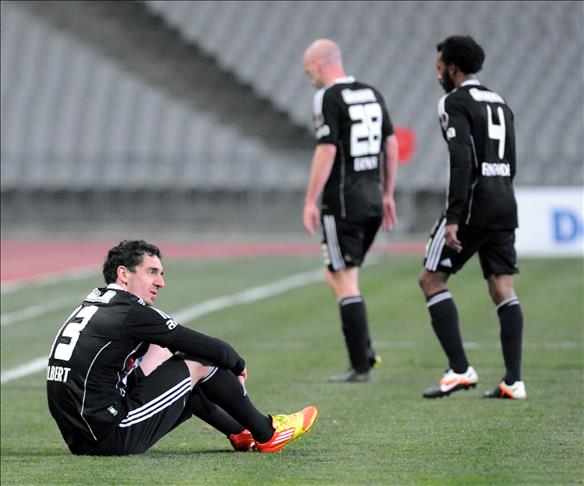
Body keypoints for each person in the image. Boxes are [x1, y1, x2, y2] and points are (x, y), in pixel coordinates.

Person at [47, 239, 318, 455]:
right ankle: (268, 433)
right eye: (152, 272)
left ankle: (240, 432)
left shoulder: (95, 302)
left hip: (81, 437)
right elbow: (213, 350)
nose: (160, 282)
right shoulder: (131, 312)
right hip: (111, 435)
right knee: (200, 362)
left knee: (164, 353)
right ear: (124, 274)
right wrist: (238, 364)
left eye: (161, 274)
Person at [419, 36, 526, 399]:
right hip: (504, 201)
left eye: (439, 68)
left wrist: (454, 216)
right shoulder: (500, 101)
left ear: (452, 68)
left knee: (431, 280)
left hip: (472, 206)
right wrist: (501, 192)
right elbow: (511, 159)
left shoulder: (453, 101)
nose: (438, 75)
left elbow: (461, 159)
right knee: (502, 287)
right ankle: (514, 381)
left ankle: (460, 369)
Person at [302, 39, 399, 383]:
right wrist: (388, 193)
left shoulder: (327, 96)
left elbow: (327, 150)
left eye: (309, 71)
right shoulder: (371, 92)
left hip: (342, 201)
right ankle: (365, 350)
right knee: (340, 276)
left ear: (320, 64)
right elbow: (391, 144)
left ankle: (360, 365)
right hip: (372, 198)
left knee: (343, 281)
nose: (309, 78)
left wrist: (310, 200)